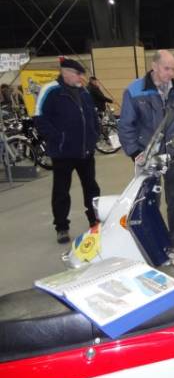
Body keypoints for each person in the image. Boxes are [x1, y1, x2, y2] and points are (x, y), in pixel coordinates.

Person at [118, 50, 174, 250]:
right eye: (166, 68)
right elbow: (126, 125)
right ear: (154, 66)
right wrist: (135, 153)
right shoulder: (134, 91)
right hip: (149, 158)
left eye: (173, 69)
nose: (171, 73)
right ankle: (156, 241)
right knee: (150, 202)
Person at [33, 58, 100, 244]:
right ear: (66, 72)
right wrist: (57, 138)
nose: (81, 78)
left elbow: (92, 116)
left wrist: (94, 135)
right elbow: (39, 118)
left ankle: (94, 220)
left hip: (85, 152)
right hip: (62, 153)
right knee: (61, 191)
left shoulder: (84, 91)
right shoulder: (51, 90)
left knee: (91, 188)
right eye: (78, 74)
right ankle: (62, 227)